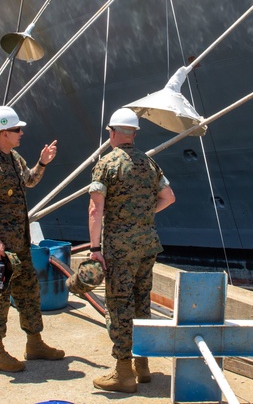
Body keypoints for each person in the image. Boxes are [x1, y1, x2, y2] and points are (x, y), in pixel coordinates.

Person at [88, 108, 175, 393]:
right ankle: (144, 365)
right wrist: (145, 215)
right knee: (142, 303)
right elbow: (168, 197)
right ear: (134, 134)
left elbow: (95, 209)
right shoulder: (150, 164)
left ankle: (123, 373)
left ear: (113, 133)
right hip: (147, 244)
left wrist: (94, 248)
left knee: (119, 305)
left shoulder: (107, 164)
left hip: (119, 249)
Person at [0, 105, 64, 372]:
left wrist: (43, 161)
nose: (21, 133)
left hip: (20, 243)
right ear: (2, 133)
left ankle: (34, 343)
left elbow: (30, 180)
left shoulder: (14, 157)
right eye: (16, 129)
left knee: (29, 291)